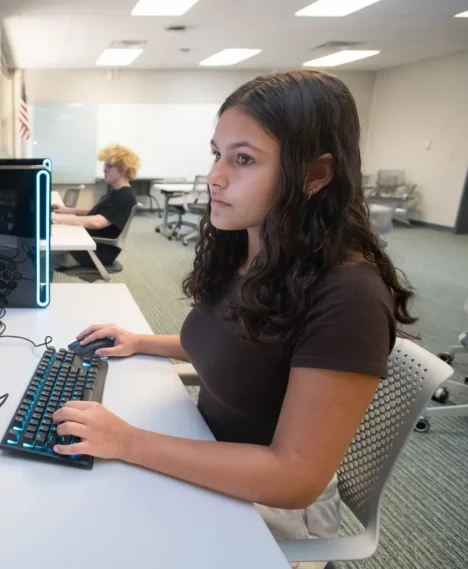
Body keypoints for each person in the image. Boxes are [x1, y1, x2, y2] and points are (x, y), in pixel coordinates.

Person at [50, 71, 416, 563]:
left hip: (268, 511)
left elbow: (294, 478)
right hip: (209, 454)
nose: (215, 176)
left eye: (243, 159)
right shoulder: (253, 251)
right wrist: (141, 341)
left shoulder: (348, 296)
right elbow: (242, 343)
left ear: (315, 174)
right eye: (216, 154)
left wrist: (129, 441)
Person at [52, 144, 139, 267]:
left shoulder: (125, 196)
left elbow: (97, 222)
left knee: (42, 258)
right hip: (88, 242)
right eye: (105, 165)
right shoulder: (116, 191)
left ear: (123, 169)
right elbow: (97, 212)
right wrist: (66, 210)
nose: (104, 170)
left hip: (97, 250)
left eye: (109, 166)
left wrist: (54, 218)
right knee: (44, 251)